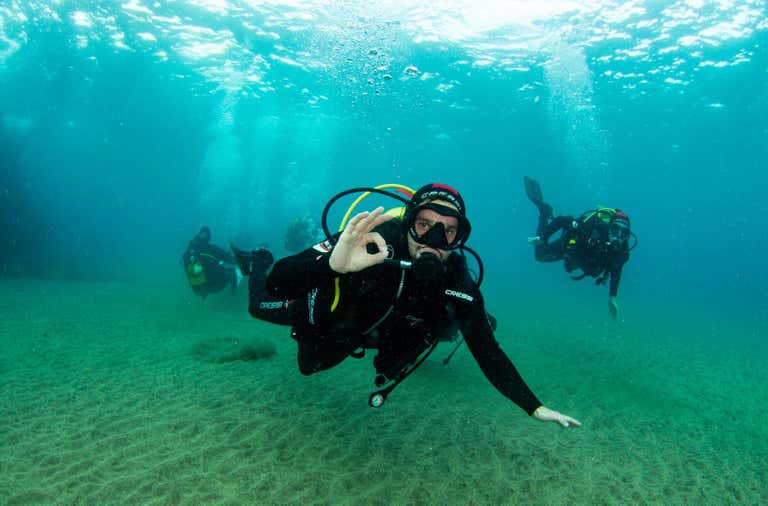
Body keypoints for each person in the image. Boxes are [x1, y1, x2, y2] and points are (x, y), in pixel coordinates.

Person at [234, 183, 580, 428]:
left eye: (447, 231)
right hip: (323, 309)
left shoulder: (456, 278)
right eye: (424, 225)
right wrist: (332, 265)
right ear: (408, 223)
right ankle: (258, 259)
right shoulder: (372, 239)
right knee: (265, 314)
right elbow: (279, 282)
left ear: (459, 238)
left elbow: (487, 350)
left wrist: (533, 406)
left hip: (365, 330)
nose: (434, 240)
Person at [523, 176, 632, 319]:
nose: (618, 237)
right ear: (609, 227)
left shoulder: (621, 251)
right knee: (540, 255)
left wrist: (612, 298)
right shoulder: (591, 228)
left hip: (582, 261)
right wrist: (543, 238)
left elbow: (616, 271)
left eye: (624, 233)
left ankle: (547, 217)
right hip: (571, 248)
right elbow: (565, 220)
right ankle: (544, 213)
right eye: (615, 230)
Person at [182, 226, 240, 298]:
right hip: (214, 285)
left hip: (198, 289)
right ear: (208, 237)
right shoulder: (212, 249)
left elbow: (184, 265)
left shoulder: (189, 252)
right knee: (233, 272)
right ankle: (234, 294)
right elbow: (229, 259)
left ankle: (204, 295)